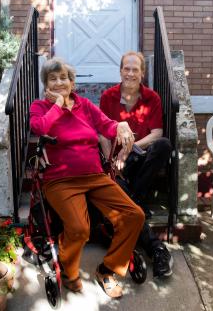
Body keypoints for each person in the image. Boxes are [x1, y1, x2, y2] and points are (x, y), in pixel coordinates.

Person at [29, 57, 145, 299]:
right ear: (46, 85)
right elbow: (39, 128)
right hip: (59, 180)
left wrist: (120, 126)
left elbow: (107, 125)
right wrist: (58, 105)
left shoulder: (86, 106)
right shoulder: (40, 107)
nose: (60, 82)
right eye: (54, 79)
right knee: (80, 229)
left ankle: (108, 269)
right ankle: (70, 272)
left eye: (64, 78)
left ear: (72, 83)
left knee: (133, 215)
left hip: (94, 175)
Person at [99, 51, 174, 278]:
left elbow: (157, 133)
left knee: (163, 145)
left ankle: (135, 200)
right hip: (117, 163)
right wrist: (111, 161)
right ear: (120, 70)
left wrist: (128, 148)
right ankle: (157, 249)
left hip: (138, 156)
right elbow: (103, 134)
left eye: (135, 69)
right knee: (118, 192)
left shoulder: (152, 97)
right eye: (126, 68)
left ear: (143, 73)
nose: (130, 73)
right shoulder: (108, 96)